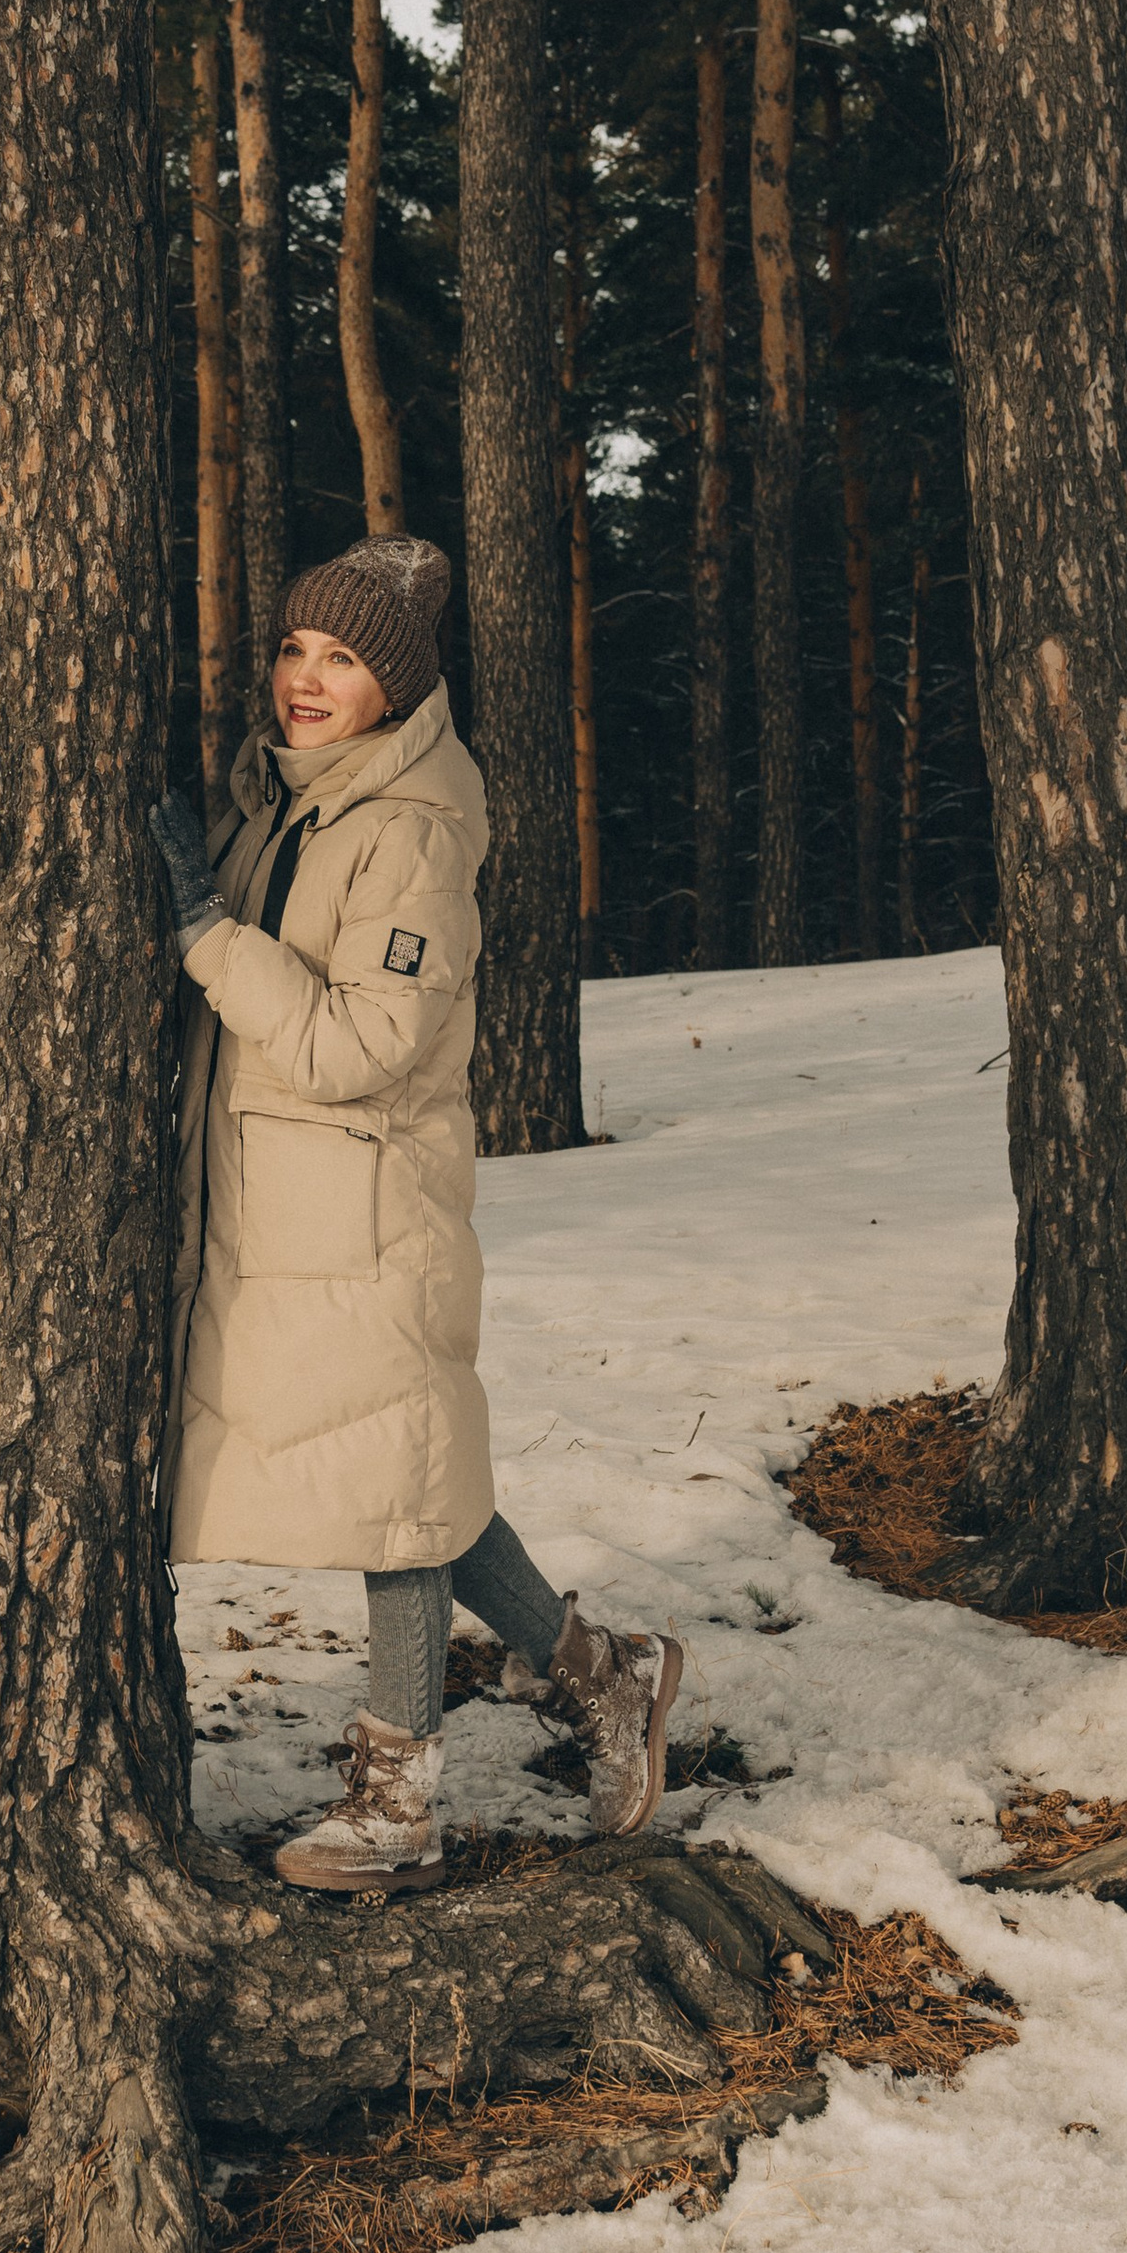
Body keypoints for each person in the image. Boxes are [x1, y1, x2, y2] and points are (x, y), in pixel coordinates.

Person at [151, 535, 682, 1896]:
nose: (307, 679)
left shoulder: (415, 829)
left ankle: (397, 1806)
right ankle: (602, 1675)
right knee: (413, 1485)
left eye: (343, 659)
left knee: (394, 1500)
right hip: (283, 1212)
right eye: (294, 648)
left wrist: (205, 932)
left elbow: (359, 1043)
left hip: (369, 1212)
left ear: (398, 686)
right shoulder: (287, 799)